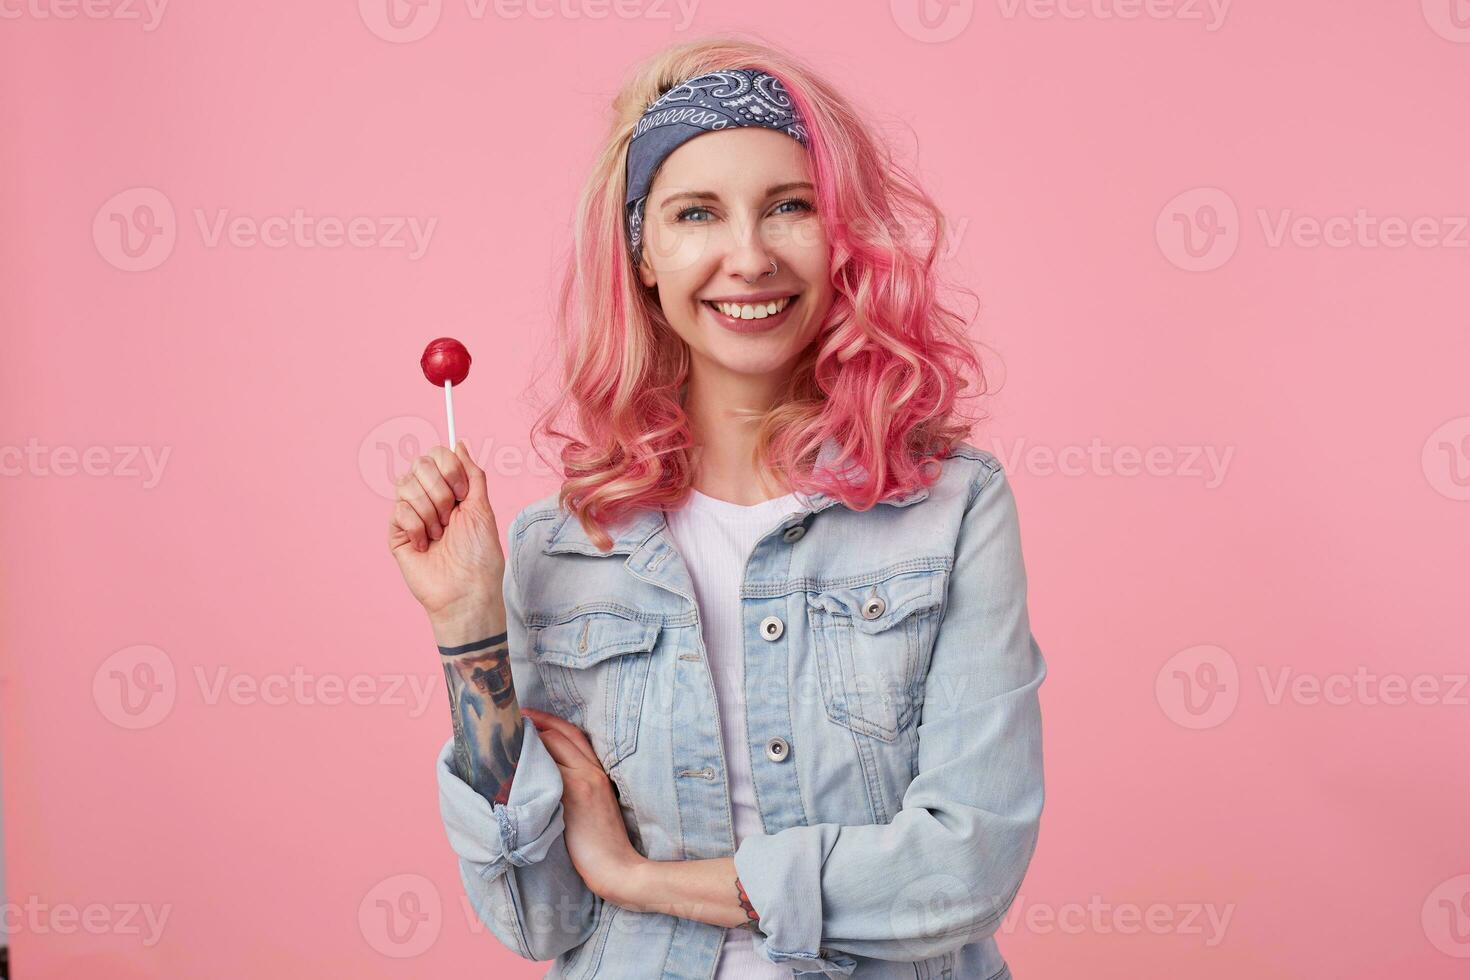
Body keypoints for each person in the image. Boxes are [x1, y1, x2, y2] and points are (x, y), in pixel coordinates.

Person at [388, 34, 1046, 979]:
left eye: (790, 207)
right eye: (696, 213)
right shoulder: (557, 551)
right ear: (643, 255)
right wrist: (467, 629)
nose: (748, 255)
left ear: (843, 237)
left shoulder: (951, 510)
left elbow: (965, 868)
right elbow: (535, 916)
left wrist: (639, 876)